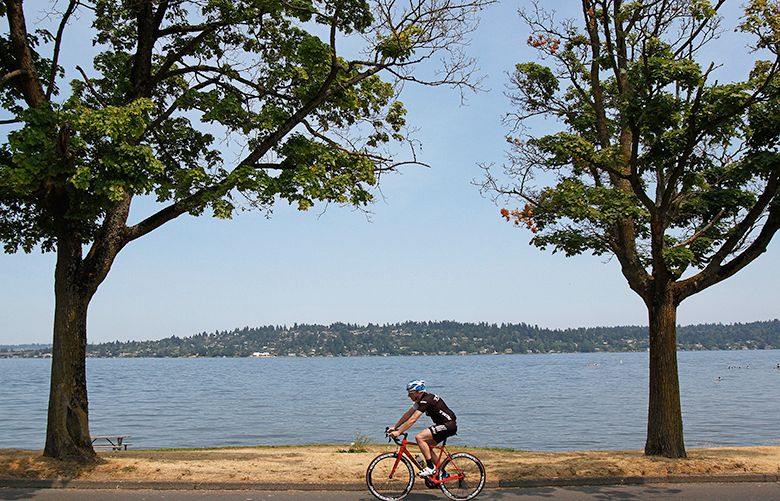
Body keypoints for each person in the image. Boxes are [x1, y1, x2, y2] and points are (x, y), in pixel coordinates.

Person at [388, 380, 457, 477]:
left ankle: (430, 467)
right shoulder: (421, 400)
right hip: (444, 424)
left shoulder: (426, 400)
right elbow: (408, 414)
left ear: (418, 392)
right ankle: (442, 473)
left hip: (448, 425)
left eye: (410, 393)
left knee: (420, 437)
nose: (408, 396)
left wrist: (399, 432)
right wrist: (395, 427)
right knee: (427, 447)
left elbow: (413, 419)